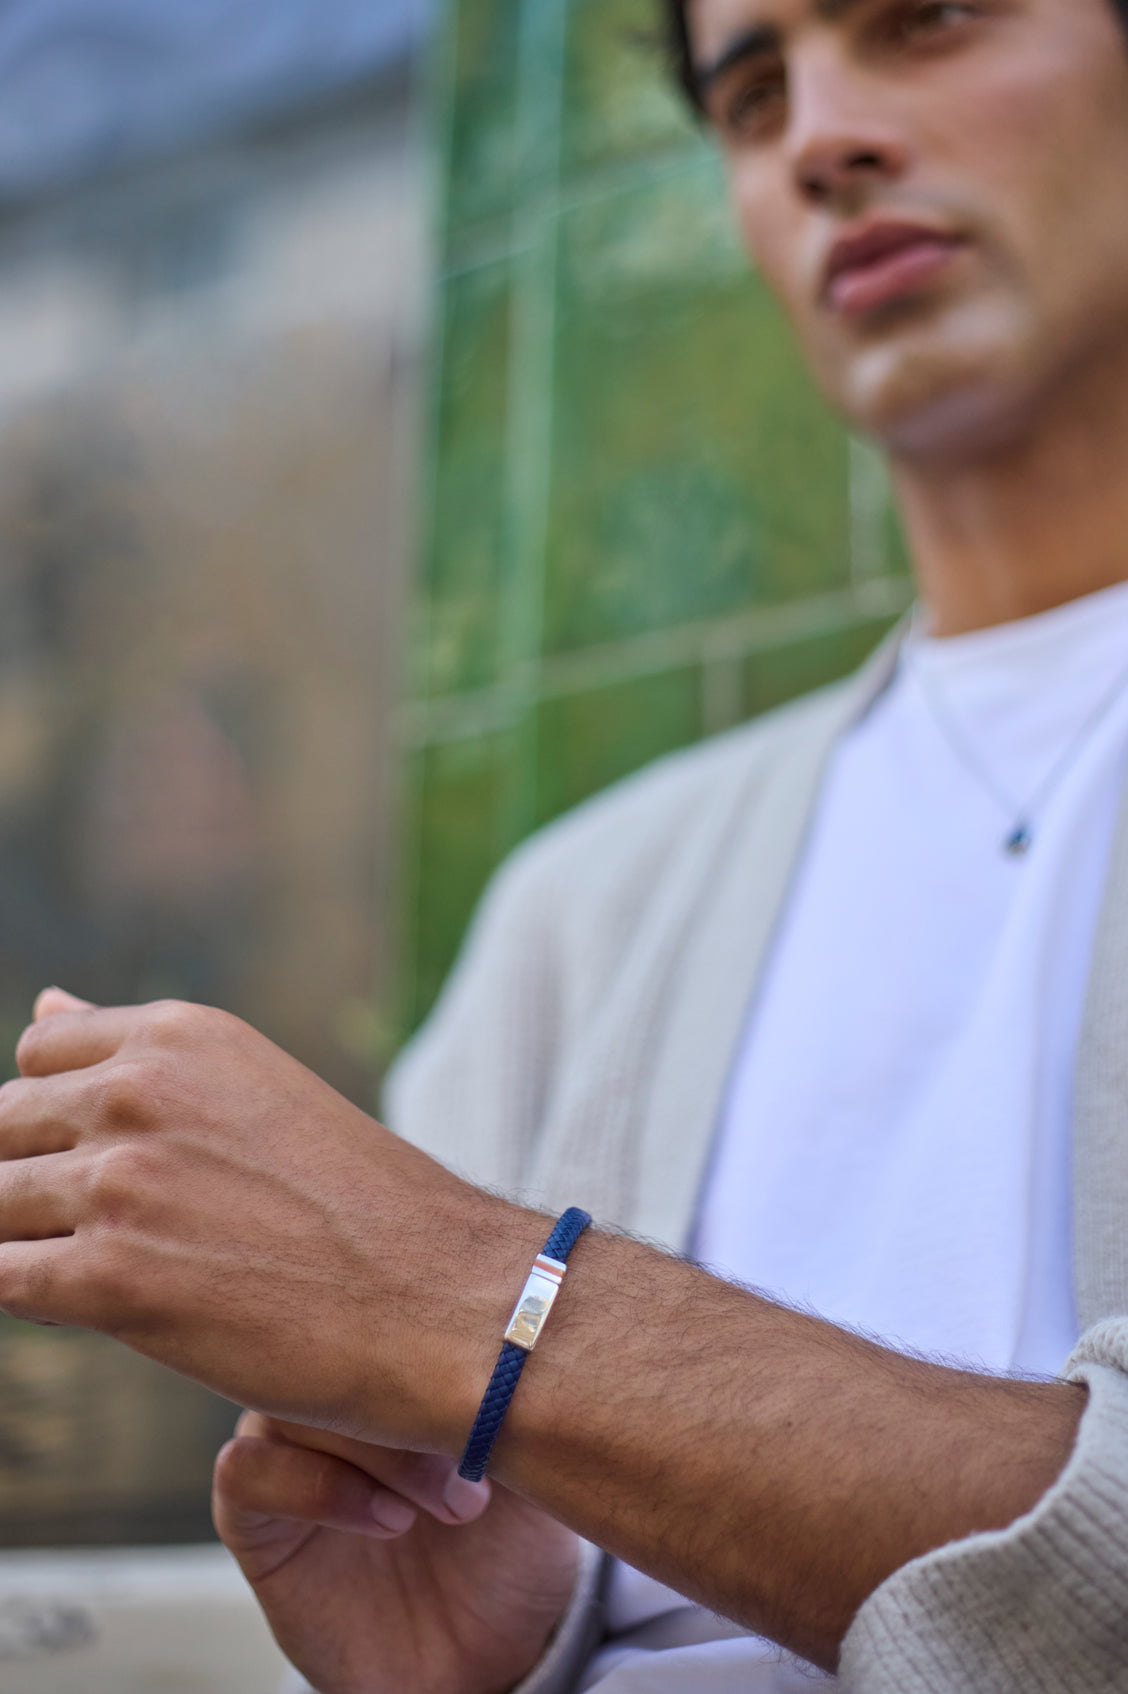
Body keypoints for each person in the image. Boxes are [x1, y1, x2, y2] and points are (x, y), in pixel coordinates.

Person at [5, 0, 1128, 1687]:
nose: (822, 140)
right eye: (752, 95)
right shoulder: (586, 910)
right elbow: (419, 1559)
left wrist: (468, 1295)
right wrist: (494, 1652)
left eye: (926, 20)